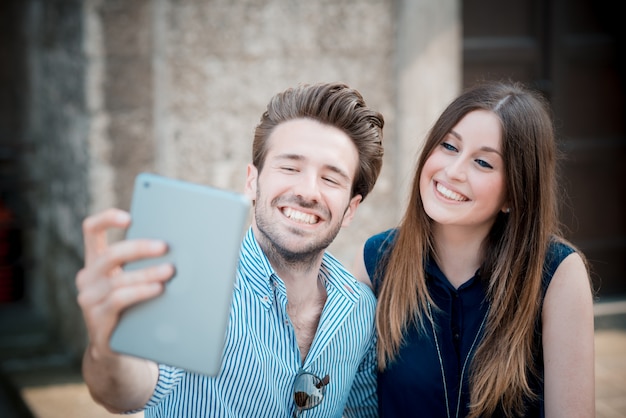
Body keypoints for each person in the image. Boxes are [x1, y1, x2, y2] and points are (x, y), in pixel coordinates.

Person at [76, 82, 385, 417]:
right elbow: (130, 390)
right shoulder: (195, 286)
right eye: (290, 167)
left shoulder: (361, 309)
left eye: (331, 179)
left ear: (350, 209)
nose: (308, 191)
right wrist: (108, 348)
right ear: (252, 181)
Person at [352, 81, 595, 417]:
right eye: (449, 147)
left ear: (514, 193)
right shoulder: (375, 260)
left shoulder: (558, 274)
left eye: (483, 163)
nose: (453, 172)